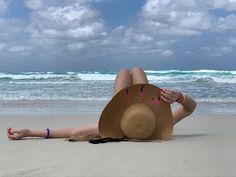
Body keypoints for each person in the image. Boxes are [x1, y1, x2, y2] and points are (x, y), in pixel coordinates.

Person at [7, 67, 197, 140]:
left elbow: (70, 132)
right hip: (138, 114)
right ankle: (137, 87)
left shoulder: (111, 129)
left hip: (128, 109)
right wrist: (178, 96)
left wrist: (30, 132)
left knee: (125, 71)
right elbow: (191, 108)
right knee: (137, 70)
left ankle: (132, 88)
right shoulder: (157, 126)